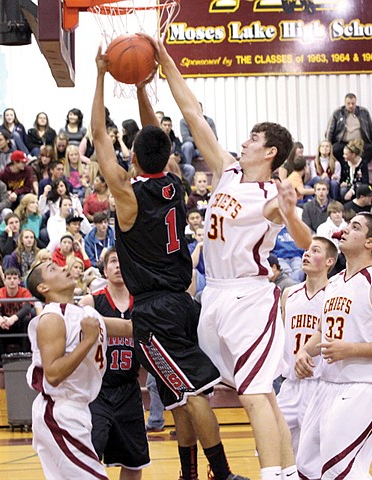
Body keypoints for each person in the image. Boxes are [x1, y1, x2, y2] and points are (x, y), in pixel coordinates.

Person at [160, 38, 310, 480]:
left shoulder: (270, 196)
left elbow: (299, 236)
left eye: (254, 139)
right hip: (215, 296)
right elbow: (192, 115)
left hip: (249, 296)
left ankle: (273, 475)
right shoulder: (226, 170)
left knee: (255, 392)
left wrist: (288, 209)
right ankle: (287, 472)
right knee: (224, 391)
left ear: (270, 154)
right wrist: (166, 60)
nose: (243, 142)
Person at [95, 50, 246, 480]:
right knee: (180, 397)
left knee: (192, 393)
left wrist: (102, 75)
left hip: (155, 313)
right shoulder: (175, 183)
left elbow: (100, 139)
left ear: (135, 160)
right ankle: (189, 474)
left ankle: (222, 474)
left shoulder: (127, 197)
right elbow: (153, 134)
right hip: (182, 302)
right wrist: (143, 86)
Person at [294, 213, 372, 479]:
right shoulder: (333, 282)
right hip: (328, 383)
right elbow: (322, 331)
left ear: (370, 242)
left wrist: (351, 349)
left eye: (355, 227)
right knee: (307, 465)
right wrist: (303, 351)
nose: (345, 229)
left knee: (340, 468)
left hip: (364, 385)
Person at [24, 260, 133, 479]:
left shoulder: (85, 313)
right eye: (52, 269)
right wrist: (88, 341)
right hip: (58, 410)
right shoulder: (52, 318)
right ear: (43, 288)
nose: (64, 268)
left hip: (79, 408)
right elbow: (52, 374)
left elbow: (130, 328)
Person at [79, 249, 149, 479]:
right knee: (90, 452)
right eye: (113, 261)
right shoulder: (91, 301)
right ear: (104, 270)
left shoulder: (141, 303)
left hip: (129, 389)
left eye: (123, 262)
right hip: (98, 390)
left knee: (133, 461)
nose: (118, 266)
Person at [277, 237, 337, 455]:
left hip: (320, 383)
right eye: (306, 250)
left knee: (312, 458)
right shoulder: (288, 294)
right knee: (274, 448)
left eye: (315, 251)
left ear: (329, 261)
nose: (306, 254)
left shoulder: (335, 295)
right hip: (290, 384)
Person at [0, 267, 33, 363]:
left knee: (27, 320)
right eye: (9, 278)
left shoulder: (25, 292)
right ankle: (0, 358)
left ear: (19, 280)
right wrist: (0, 319)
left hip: (18, 325)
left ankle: (25, 356)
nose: (12, 281)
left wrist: (12, 319)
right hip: (4, 326)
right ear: (4, 280)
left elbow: (27, 308)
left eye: (14, 278)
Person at [325, 93, 372, 169]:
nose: (351, 106)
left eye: (353, 103)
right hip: (344, 143)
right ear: (345, 103)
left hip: (360, 143)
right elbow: (330, 130)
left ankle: (361, 165)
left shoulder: (364, 112)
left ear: (356, 103)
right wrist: (328, 145)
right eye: (348, 103)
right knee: (335, 149)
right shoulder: (337, 113)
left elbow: (371, 129)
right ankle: (345, 167)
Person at [180, 102, 218, 167]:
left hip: (205, 149)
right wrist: (202, 140)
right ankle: (187, 169)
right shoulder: (184, 121)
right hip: (192, 150)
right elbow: (186, 138)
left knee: (217, 147)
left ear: (202, 110)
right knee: (187, 145)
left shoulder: (209, 121)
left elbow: (214, 138)